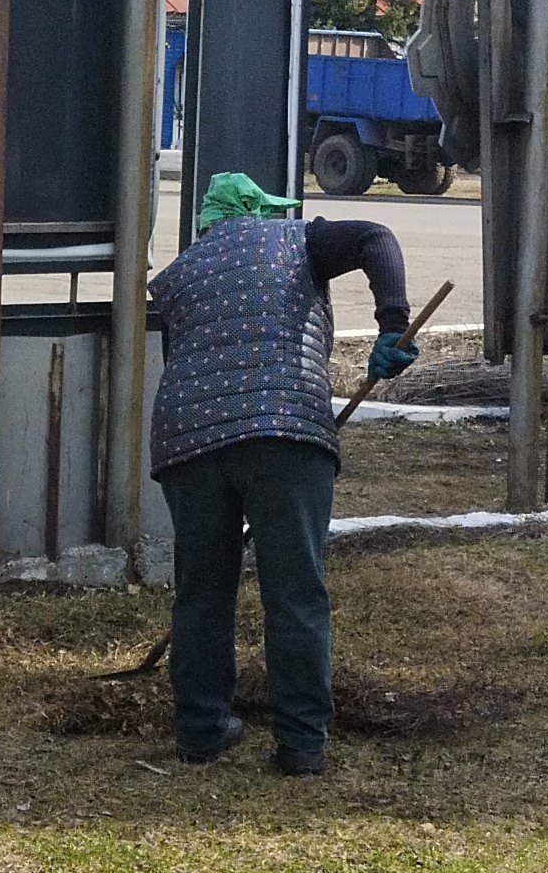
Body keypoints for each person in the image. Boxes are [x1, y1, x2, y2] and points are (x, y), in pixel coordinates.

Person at [149, 171, 415, 776]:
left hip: (188, 440)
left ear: (210, 225)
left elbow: (185, 362)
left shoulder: (179, 275)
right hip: (284, 429)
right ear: (265, 214)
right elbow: (376, 236)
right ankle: (299, 743)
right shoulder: (297, 240)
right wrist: (392, 324)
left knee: (202, 592)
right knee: (295, 591)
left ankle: (201, 731)